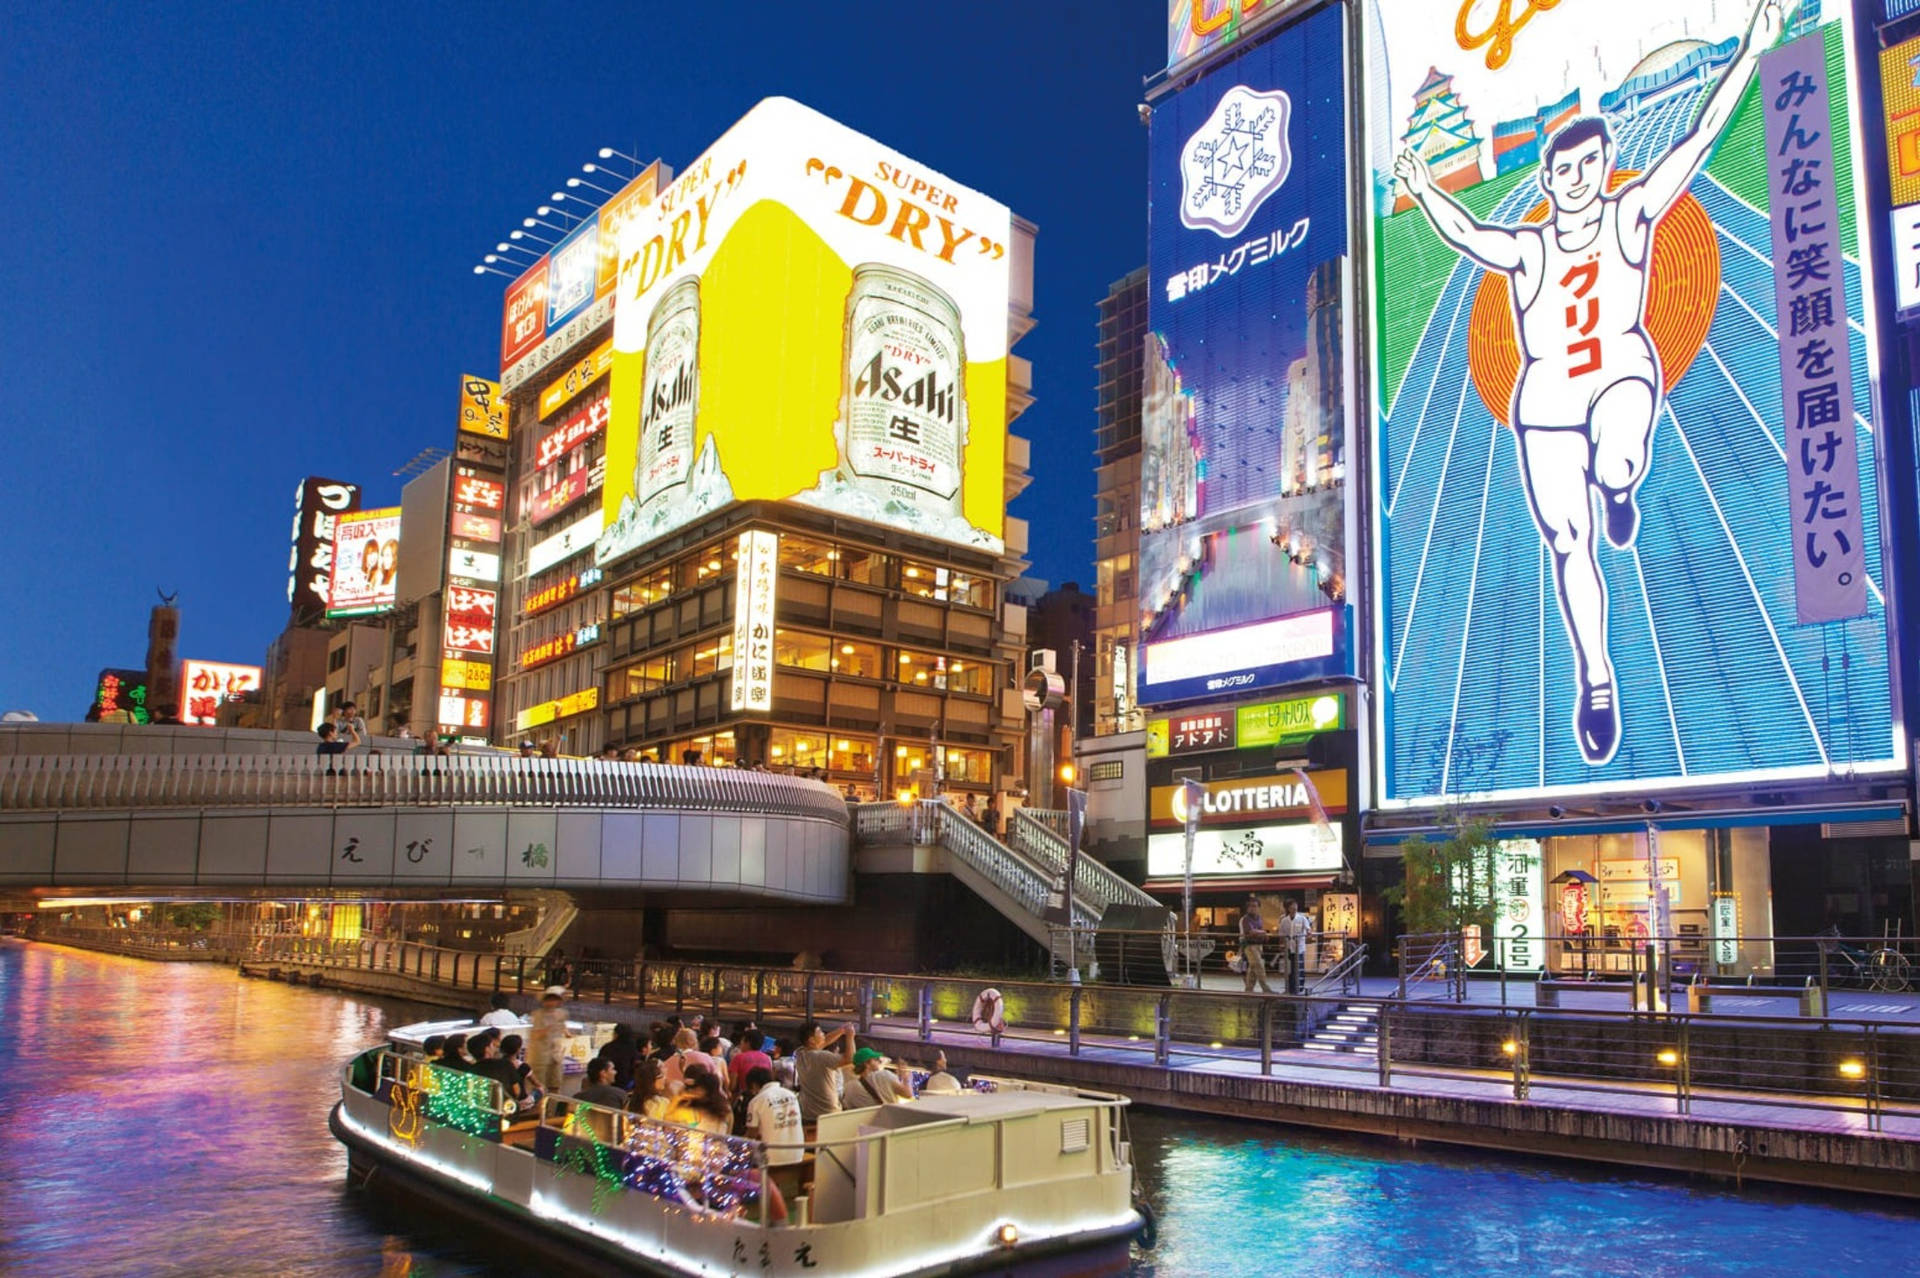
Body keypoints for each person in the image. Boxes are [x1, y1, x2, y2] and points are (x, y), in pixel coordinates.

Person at [1392, 0, 1781, 767]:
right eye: (1564, 169)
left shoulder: (1631, 214)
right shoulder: (1531, 248)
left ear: (1605, 165)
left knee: (1617, 451)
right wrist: (1425, 184)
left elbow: (1700, 139)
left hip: (1622, 371)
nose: (1576, 179)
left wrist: (1753, 52)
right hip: (1545, 405)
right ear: (1548, 176)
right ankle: (1596, 677)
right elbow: (1469, 235)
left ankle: (1621, 483)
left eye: (1589, 165)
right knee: (1570, 542)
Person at [792, 1020, 855, 1125]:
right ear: (812, 1040)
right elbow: (849, 1059)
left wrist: (841, 1030)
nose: (823, 1034)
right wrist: (850, 1036)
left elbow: (824, 1042)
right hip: (828, 1113)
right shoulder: (822, 1057)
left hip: (807, 1113)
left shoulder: (800, 1053)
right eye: (820, 1032)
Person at [744, 1066, 803, 1164]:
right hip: (797, 1153)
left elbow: (752, 1135)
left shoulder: (756, 1101)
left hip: (771, 1157)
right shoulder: (791, 1094)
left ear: (754, 1085)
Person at [665, 1064, 732, 1136]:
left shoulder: (725, 1111)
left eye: (698, 1089)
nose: (694, 1091)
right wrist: (678, 1099)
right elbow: (668, 1120)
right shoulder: (690, 1107)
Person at [528, 986, 571, 1093]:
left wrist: (567, 1034)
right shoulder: (538, 1015)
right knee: (539, 1086)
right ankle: (538, 1108)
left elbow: (563, 1027)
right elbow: (534, 1035)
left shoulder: (562, 1014)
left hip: (555, 1054)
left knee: (555, 1084)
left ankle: (552, 1108)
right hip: (540, 1056)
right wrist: (549, 1029)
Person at [1239, 895, 1276, 995]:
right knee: (1259, 966)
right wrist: (1263, 932)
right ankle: (1266, 988)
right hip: (1249, 945)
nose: (1252, 908)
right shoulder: (1245, 919)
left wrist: (1262, 934)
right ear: (1247, 908)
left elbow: (1258, 931)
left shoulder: (1259, 918)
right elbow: (1250, 932)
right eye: (1250, 906)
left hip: (1258, 945)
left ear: (1259, 908)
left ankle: (1248, 989)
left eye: (1255, 906)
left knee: (1253, 968)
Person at [1278, 898, 1312, 996]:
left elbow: (1308, 929)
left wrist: (1309, 934)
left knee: (1299, 967)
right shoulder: (1284, 920)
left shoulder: (1302, 918)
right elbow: (1281, 933)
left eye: (1295, 907)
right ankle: (1291, 988)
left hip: (1299, 947)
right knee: (1290, 968)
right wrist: (1281, 945)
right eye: (1292, 907)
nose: (1294, 909)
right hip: (1289, 947)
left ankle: (1299, 987)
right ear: (1288, 908)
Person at [727, 1028, 772, 1096]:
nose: (740, 1044)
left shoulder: (738, 1058)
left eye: (742, 1041)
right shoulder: (767, 1058)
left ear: (748, 1043)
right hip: (764, 1095)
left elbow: (732, 1086)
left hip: (745, 1097)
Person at [600, 1024, 640, 1090]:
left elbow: (600, 1063)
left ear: (616, 1034)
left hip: (608, 1083)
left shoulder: (607, 1047)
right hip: (627, 1084)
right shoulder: (633, 1047)